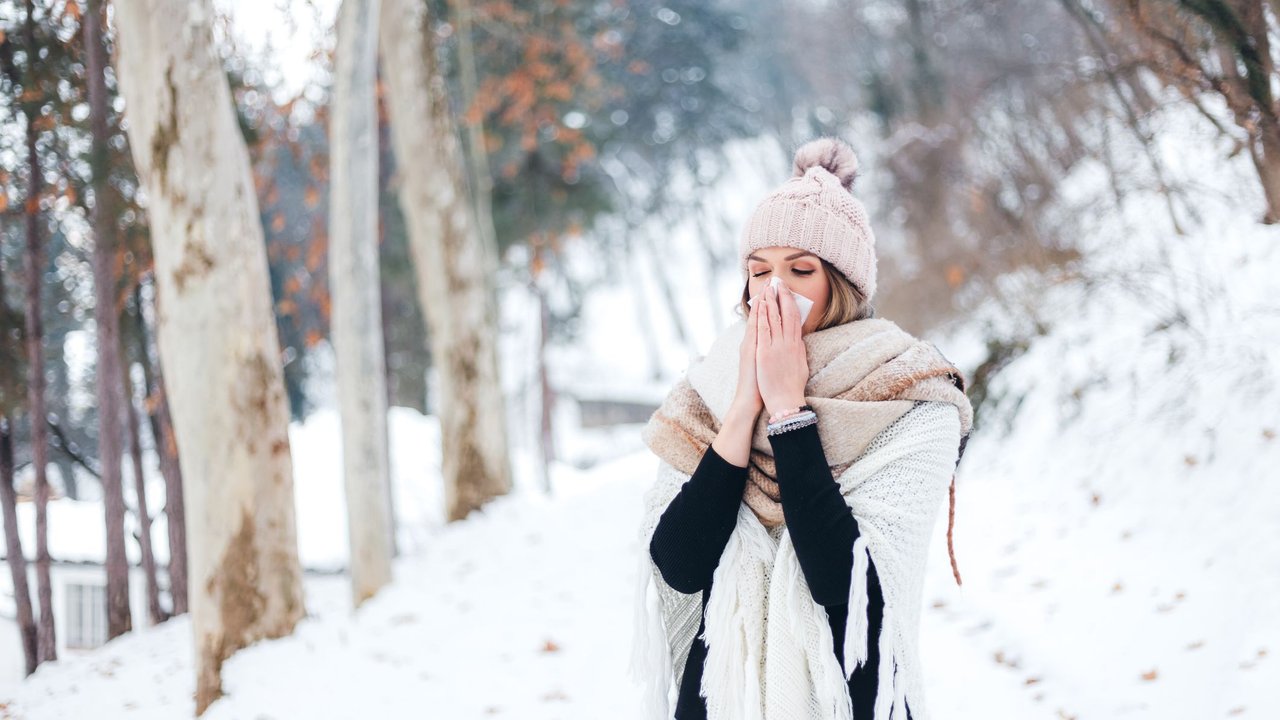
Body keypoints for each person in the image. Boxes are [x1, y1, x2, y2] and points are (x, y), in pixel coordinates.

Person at [631, 137, 975, 720]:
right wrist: (744, 408)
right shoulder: (712, 387)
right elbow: (678, 564)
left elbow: (854, 593)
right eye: (758, 270)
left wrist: (790, 414)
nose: (774, 290)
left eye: (800, 270)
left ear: (840, 283)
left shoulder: (912, 397)